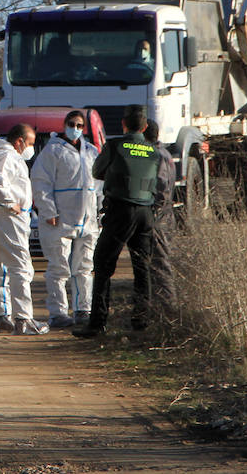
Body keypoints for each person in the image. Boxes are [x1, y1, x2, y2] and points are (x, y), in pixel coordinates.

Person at [74, 104, 158, 338]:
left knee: (102, 264)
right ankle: (141, 322)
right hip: (146, 213)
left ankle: (97, 323)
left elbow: (97, 172)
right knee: (142, 269)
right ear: (145, 126)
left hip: (121, 210)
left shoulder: (115, 146)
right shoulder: (154, 150)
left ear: (123, 124)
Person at [30, 110, 100, 329]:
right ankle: (58, 312)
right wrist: (48, 211)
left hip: (87, 220)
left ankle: (83, 309)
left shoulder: (91, 151)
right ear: (64, 124)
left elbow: (98, 184)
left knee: (85, 267)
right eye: (72, 124)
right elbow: (41, 182)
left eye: (80, 125)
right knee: (59, 268)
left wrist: (100, 211)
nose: (76, 128)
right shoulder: (53, 151)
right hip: (61, 220)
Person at [0, 124, 46, 335]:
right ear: (19, 141)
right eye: (30, 143)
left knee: (0, 266)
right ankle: (23, 319)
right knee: (21, 266)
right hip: (8, 217)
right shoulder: (7, 157)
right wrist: (11, 203)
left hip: (0, 216)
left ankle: (2, 317)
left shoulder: (1, 154)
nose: (31, 148)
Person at [145, 119, 177, 316]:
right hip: (164, 217)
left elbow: (161, 188)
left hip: (159, 220)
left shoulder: (156, 156)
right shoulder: (163, 153)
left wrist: (151, 212)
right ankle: (160, 310)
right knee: (156, 267)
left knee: (161, 266)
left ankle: (169, 312)